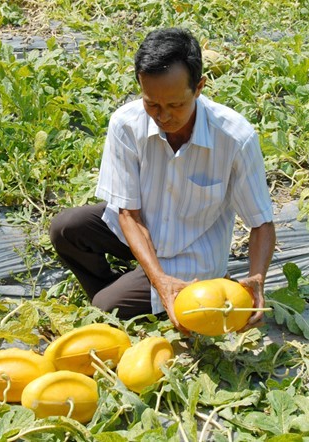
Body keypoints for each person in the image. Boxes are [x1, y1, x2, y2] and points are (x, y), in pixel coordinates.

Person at [50, 27, 276, 333]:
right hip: (141, 231)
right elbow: (128, 213)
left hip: (190, 255)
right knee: (66, 228)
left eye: (175, 105)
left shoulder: (235, 138)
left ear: (198, 88)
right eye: (152, 104)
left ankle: (132, 292)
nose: (164, 116)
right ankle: (134, 286)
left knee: (105, 307)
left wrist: (257, 277)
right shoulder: (127, 124)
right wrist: (159, 282)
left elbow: (261, 222)